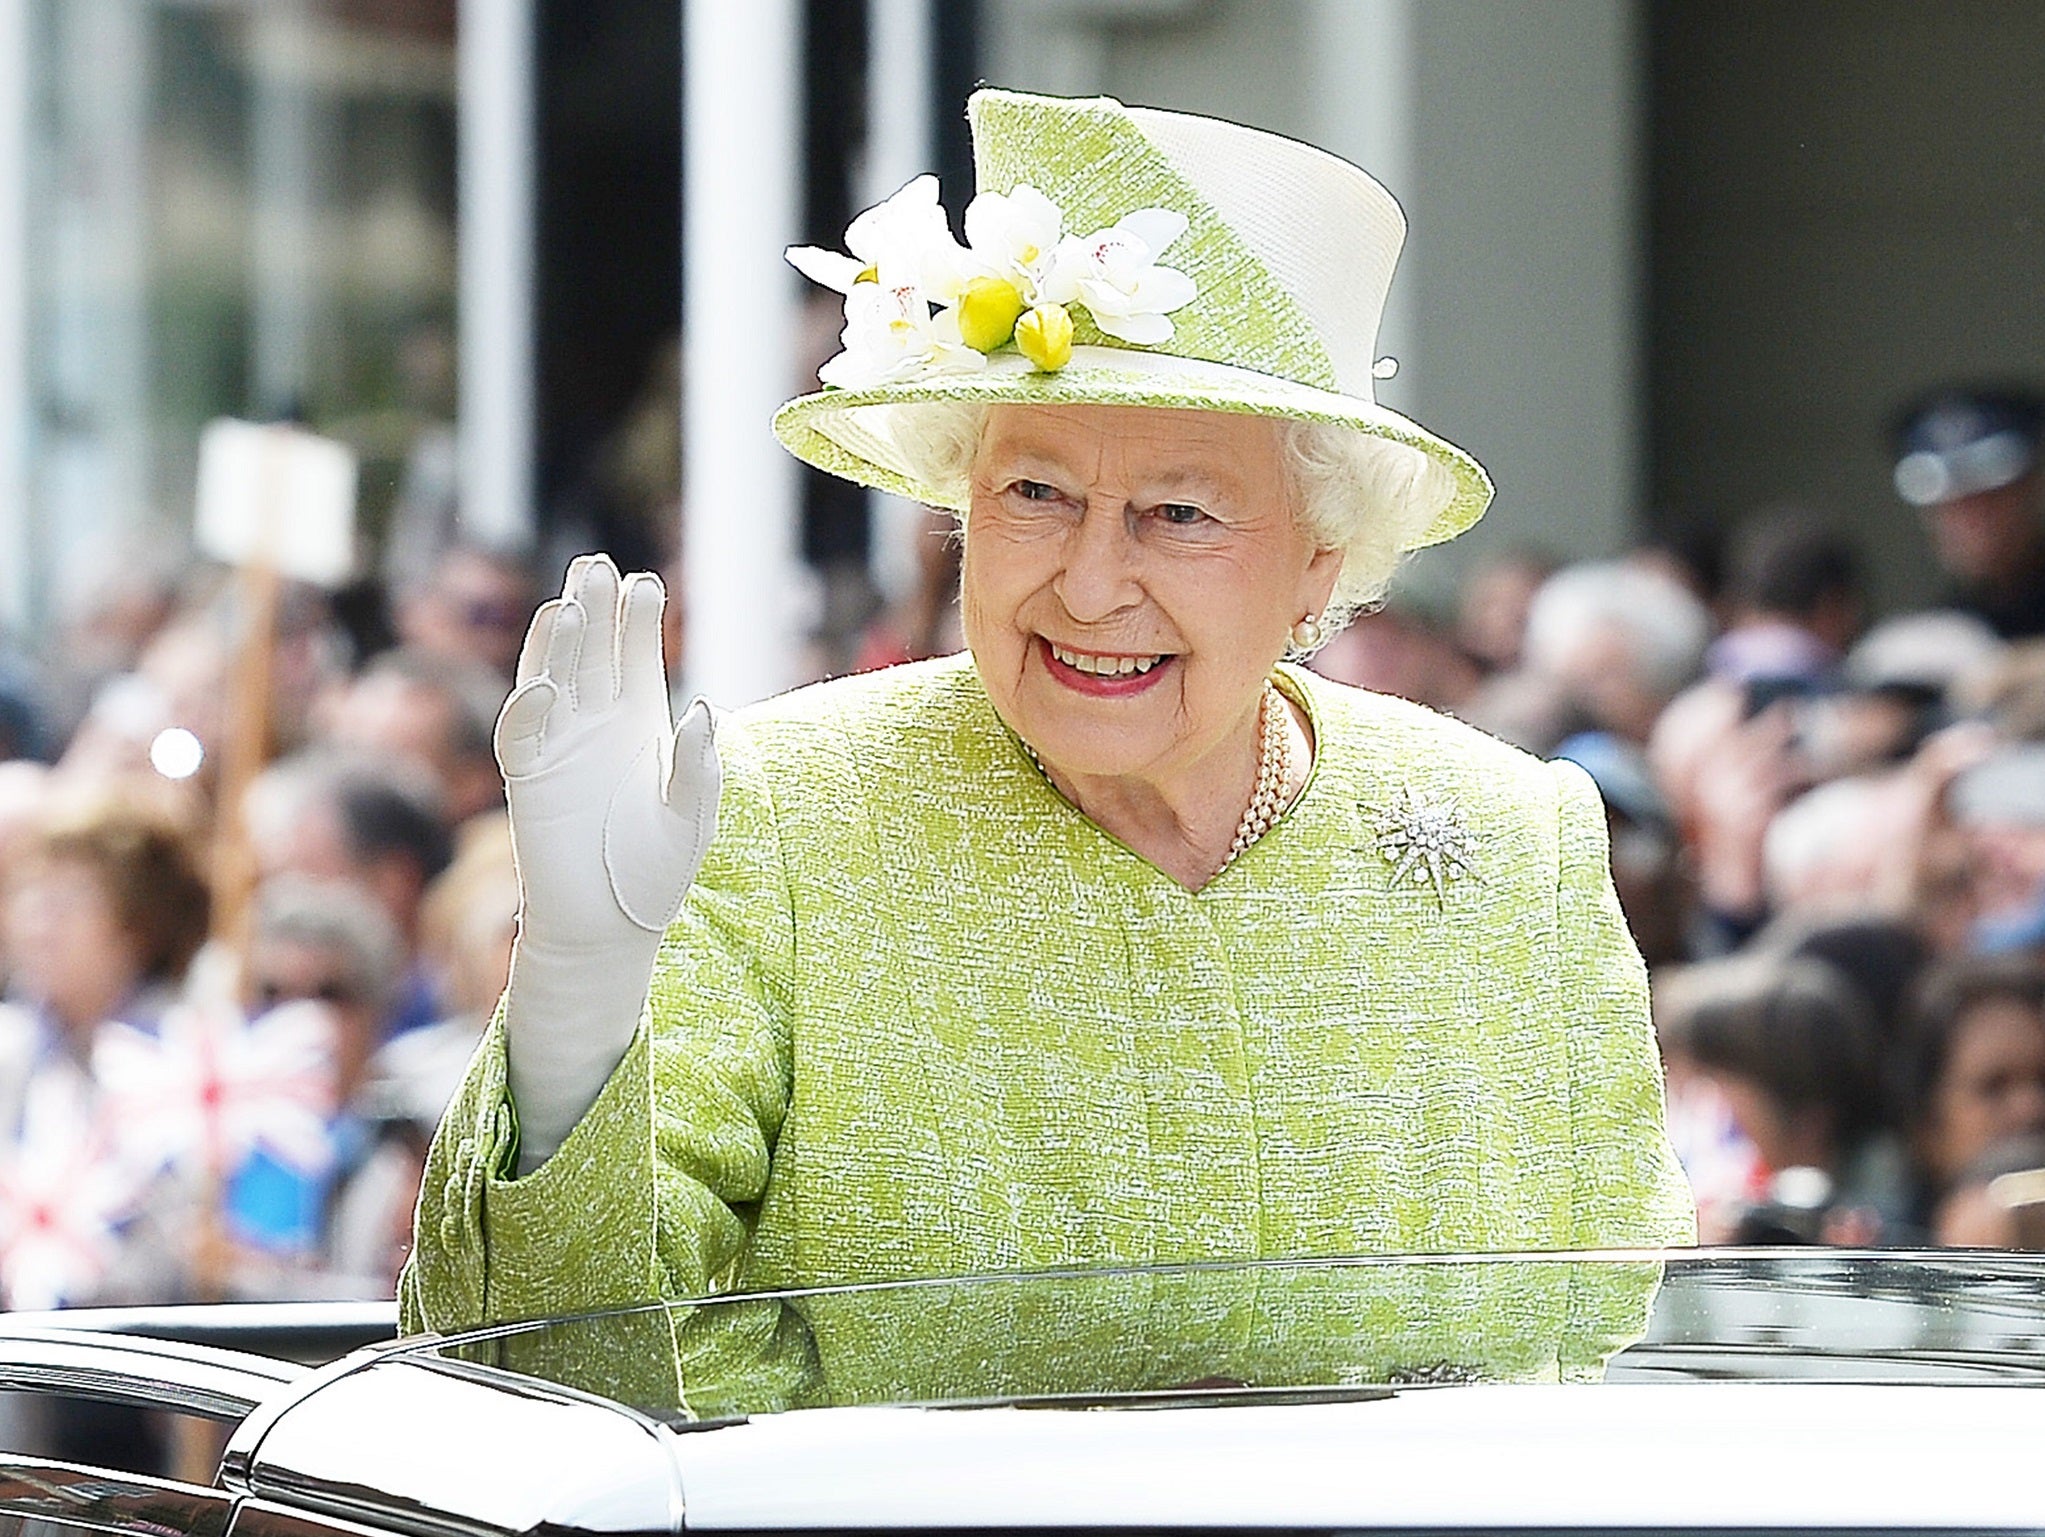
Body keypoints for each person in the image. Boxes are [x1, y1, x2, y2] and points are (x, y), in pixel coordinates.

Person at [403, 90, 1692, 1411]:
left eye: (1177, 514)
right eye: (1035, 495)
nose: (1086, 586)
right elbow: (548, 1375)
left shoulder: (1515, 835)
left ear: (1321, 555)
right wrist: (575, 1005)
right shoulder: (777, 815)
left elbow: (1606, 1342)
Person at [1889, 385, 2045, 640]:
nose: (1972, 519)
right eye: (1952, 504)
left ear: (2032, 486)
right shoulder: (1930, 639)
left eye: (1991, 497)